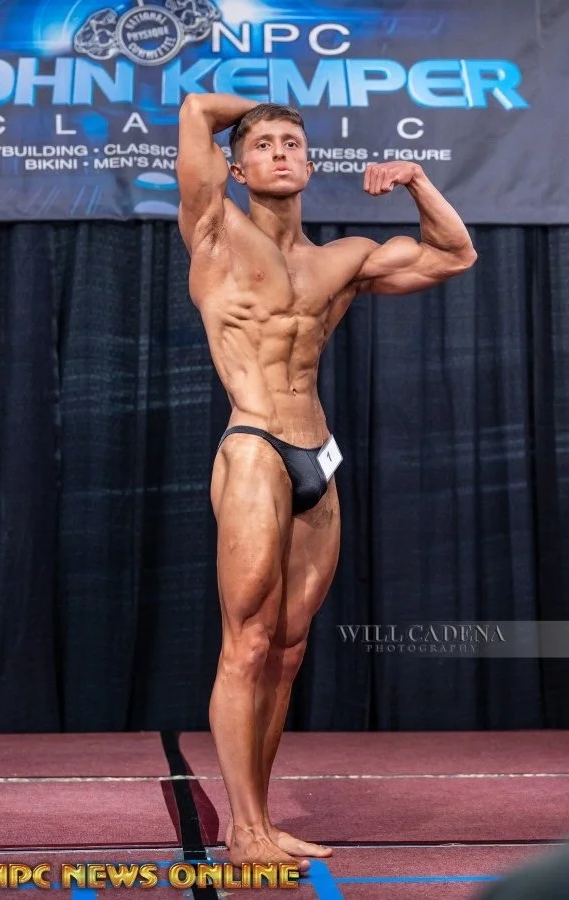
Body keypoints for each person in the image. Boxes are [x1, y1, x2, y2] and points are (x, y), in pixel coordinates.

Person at [176, 93, 477, 871]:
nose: (281, 152)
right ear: (236, 168)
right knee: (245, 642)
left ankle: (263, 821)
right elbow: (198, 106)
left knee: (288, 646)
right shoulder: (214, 230)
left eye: (293, 143)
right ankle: (243, 834)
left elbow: (453, 255)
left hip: (320, 455)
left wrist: (415, 181)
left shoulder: (340, 260)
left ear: (310, 162)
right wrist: (281, 101)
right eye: (265, 144)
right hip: (254, 448)